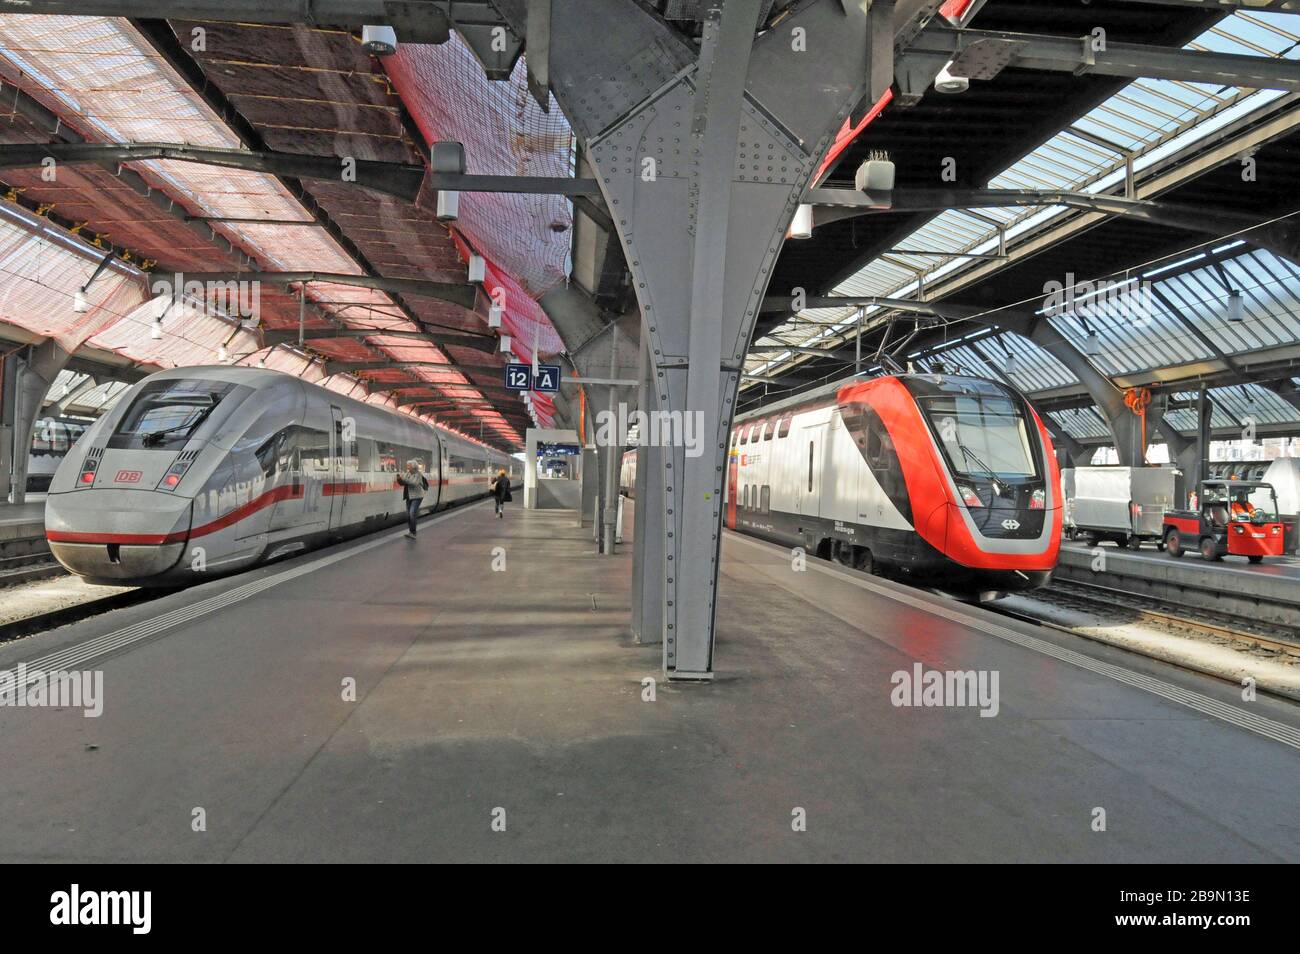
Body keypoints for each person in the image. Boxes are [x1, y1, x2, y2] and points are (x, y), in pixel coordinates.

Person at [397, 460, 428, 537]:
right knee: (408, 514)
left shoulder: (418, 474)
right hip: (408, 496)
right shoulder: (407, 474)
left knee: (412, 513)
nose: (407, 467)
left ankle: (413, 533)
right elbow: (403, 482)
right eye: (407, 465)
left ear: (413, 467)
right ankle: (411, 532)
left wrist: (403, 479)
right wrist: (399, 479)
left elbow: (414, 483)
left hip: (417, 496)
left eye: (408, 466)